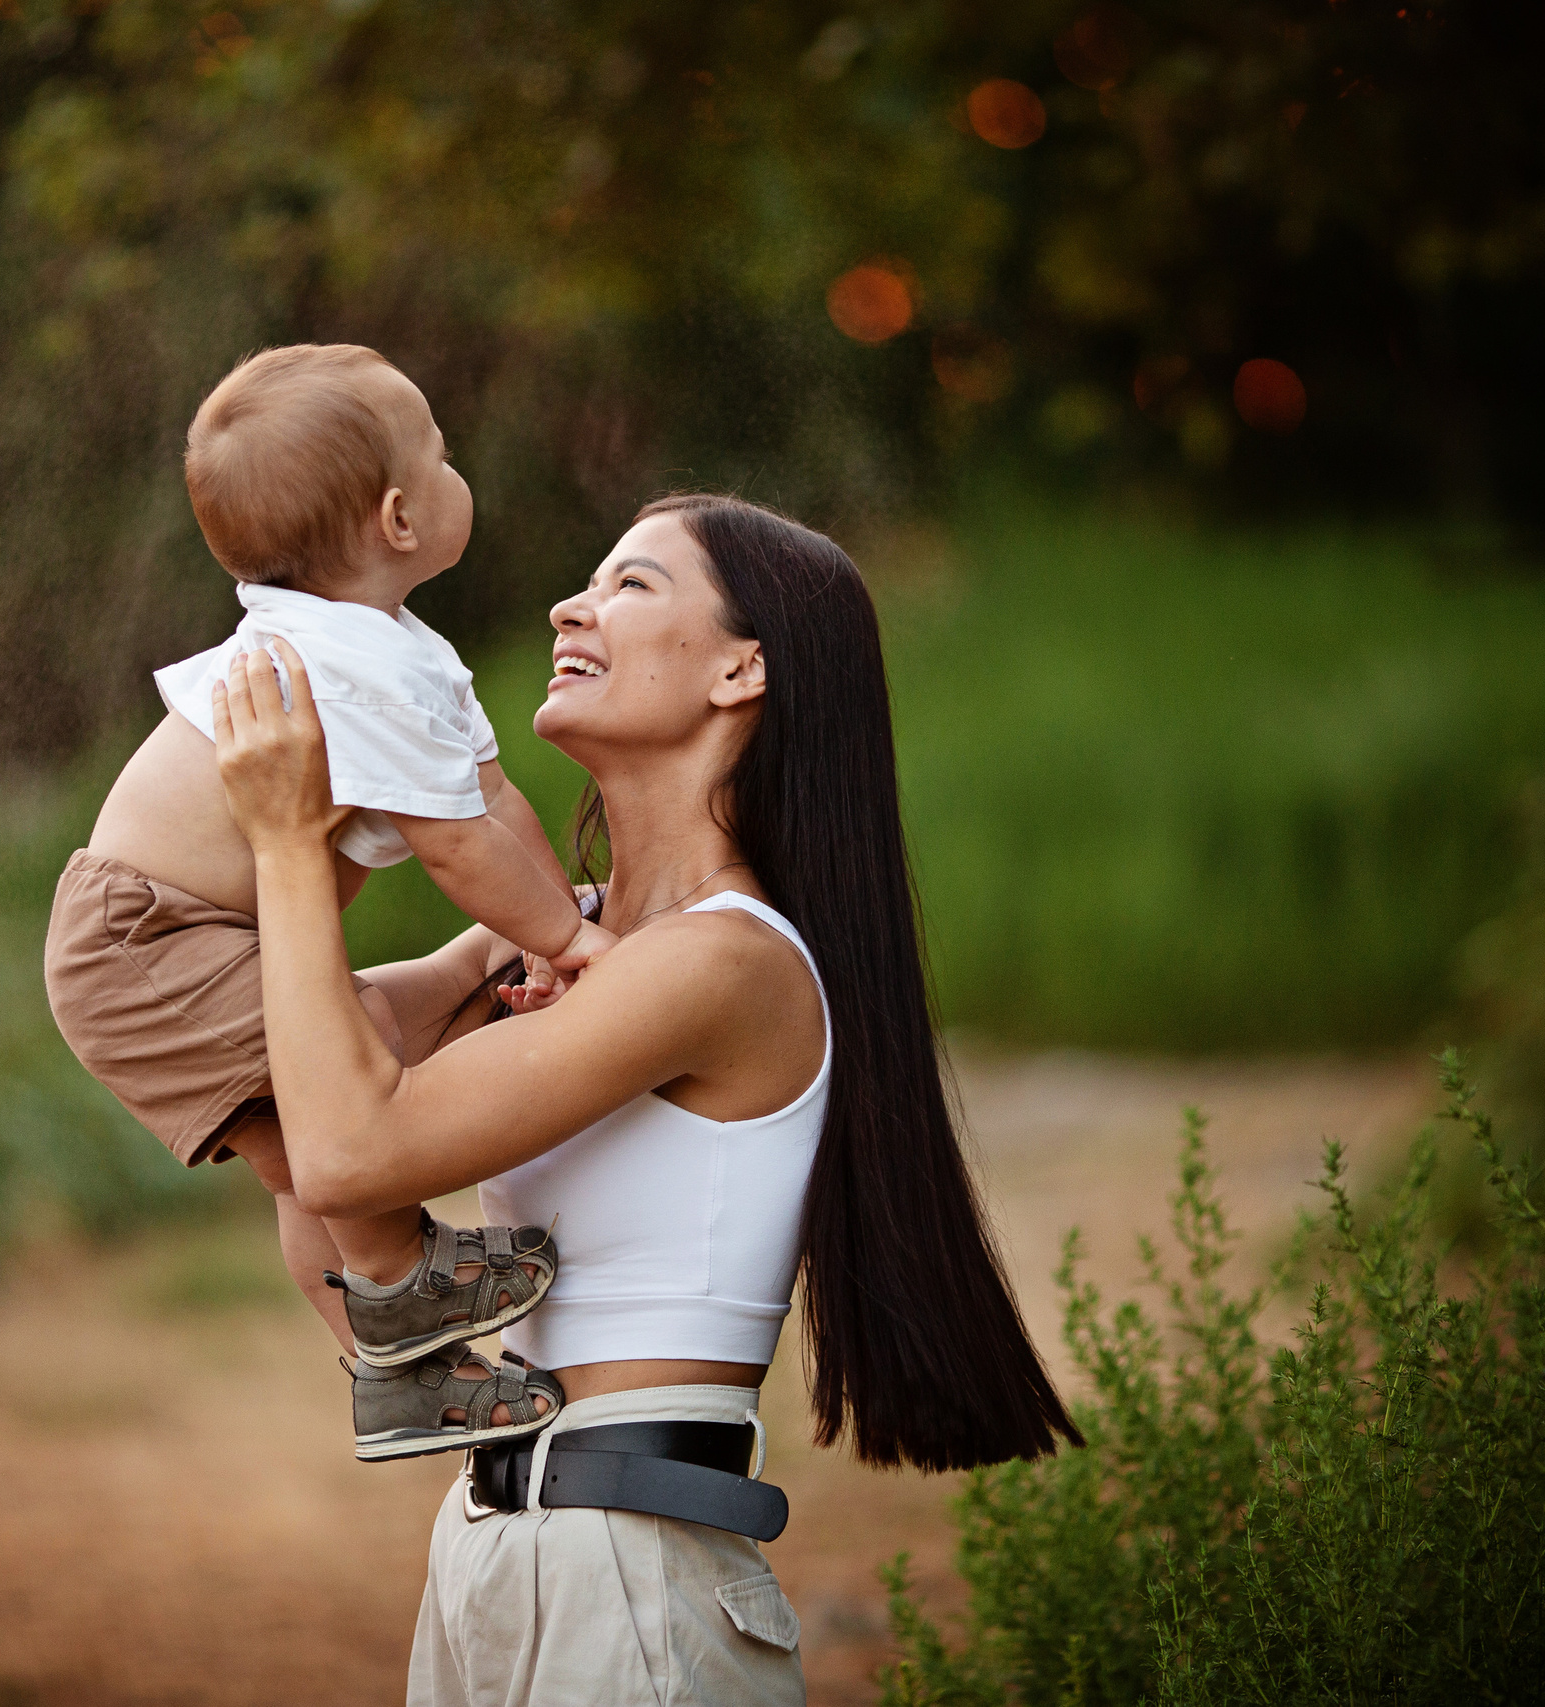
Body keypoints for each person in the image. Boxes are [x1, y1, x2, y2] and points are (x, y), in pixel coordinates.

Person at [211, 493, 1081, 1706]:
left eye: (631, 585)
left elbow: (353, 1153)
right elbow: (293, 1097)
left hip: (628, 1572)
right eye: (590, 579)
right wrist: (366, 825)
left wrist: (289, 850)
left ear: (742, 670)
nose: (573, 604)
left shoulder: (726, 963)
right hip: (489, 1550)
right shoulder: (561, 938)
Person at [45, 344, 617, 1458]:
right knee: (326, 1105)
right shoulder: (342, 664)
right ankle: (399, 1279)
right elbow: (456, 846)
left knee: (324, 1097)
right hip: (145, 942)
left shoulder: (396, 653)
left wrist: (547, 927)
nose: (459, 472)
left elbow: (491, 806)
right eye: (443, 456)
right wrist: (571, 938)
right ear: (400, 518)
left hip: (185, 936)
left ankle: (394, 1376)